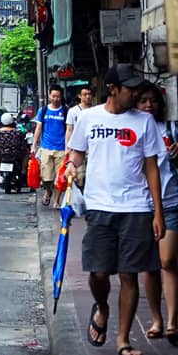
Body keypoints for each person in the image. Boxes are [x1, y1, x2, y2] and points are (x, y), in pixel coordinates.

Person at [65, 64, 166, 354]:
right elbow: (78, 152)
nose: (135, 93)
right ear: (112, 89)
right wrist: (72, 165)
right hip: (99, 206)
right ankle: (101, 306)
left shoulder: (144, 122)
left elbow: (152, 169)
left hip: (136, 207)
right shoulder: (88, 118)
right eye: (129, 88)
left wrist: (157, 213)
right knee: (97, 272)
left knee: (129, 274)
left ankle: (123, 340)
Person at [137, 85, 178, 342]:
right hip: (141, 205)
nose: (149, 106)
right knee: (150, 267)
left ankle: (173, 320)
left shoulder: (171, 129)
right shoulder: (133, 130)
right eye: (143, 101)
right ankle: (157, 319)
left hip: (171, 200)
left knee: (167, 261)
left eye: (153, 101)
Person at [35, 86, 70, 208]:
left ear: (61, 97)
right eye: (53, 96)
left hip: (61, 149)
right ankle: (48, 191)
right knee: (46, 177)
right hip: (46, 147)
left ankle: (56, 200)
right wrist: (34, 145)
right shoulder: (43, 110)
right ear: (49, 96)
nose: (55, 99)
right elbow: (39, 128)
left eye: (58, 96)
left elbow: (69, 130)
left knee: (59, 178)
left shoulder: (66, 111)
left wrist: (68, 147)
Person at [0, 113, 29, 191]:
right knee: (26, 153)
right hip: (15, 155)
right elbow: (23, 144)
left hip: (1, 155)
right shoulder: (17, 132)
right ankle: (23, 170)